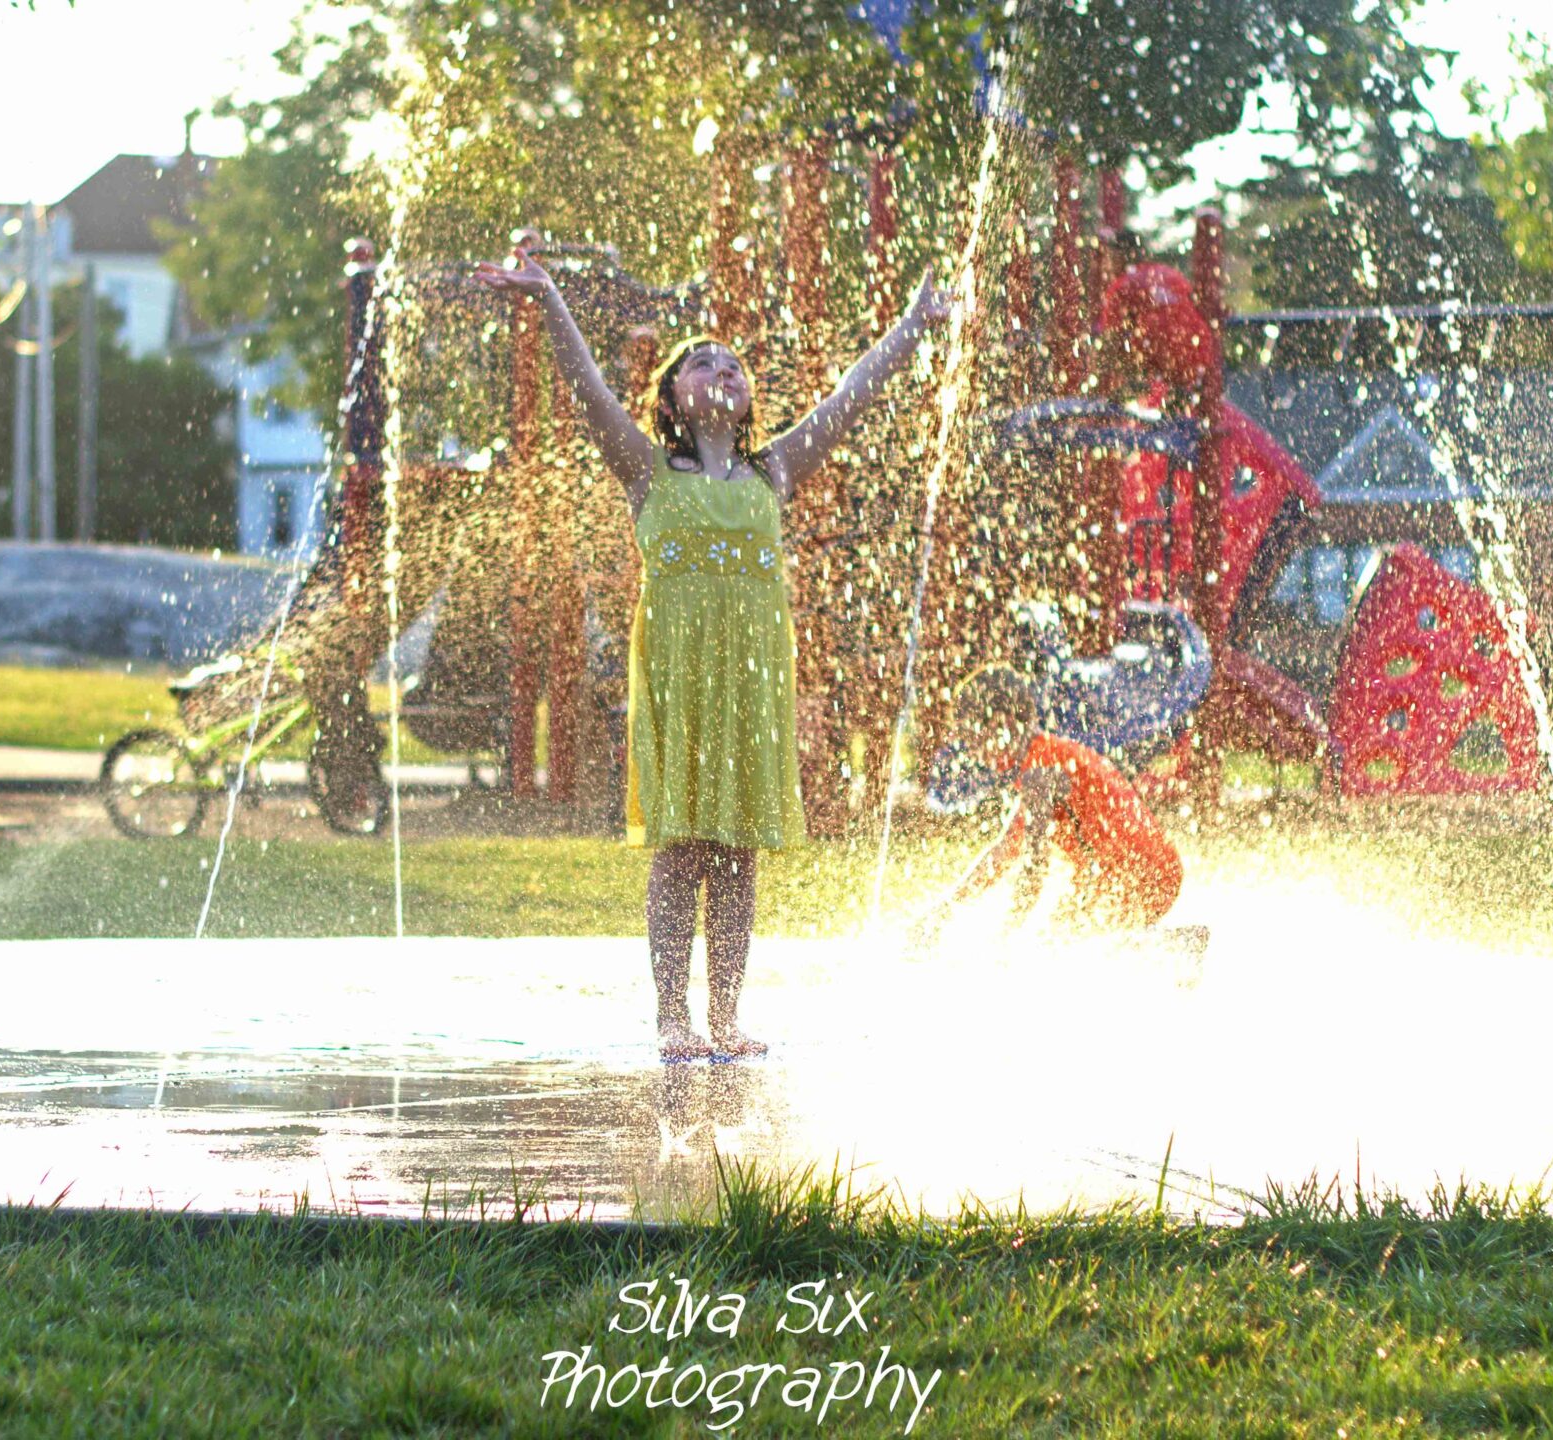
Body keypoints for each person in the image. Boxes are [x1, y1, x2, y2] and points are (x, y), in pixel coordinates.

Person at [474, 249, 950, 1060]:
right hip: (678, 677)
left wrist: (912, 326)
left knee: (738, 852)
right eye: (701, 362)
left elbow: (852, 397)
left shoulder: (775, 469)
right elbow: (588, 388)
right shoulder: (646, 470)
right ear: (670, 399)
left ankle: (725, 1015)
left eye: (732, 361)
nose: (722, 368)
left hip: (753, 679)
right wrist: (549, 299)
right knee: (682, 847)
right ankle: (672, 1016)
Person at [910, 667, 1184, 944]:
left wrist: (1005, 936)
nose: (970, 748)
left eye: (971, 735)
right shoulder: (1046, 754)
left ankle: (1175, 946)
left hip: (1140, 876)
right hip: (1144, 870)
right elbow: (1006, 850)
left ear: (1001, 722)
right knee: (1059, 936)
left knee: (1059, 945)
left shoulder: (1041, 769)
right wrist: (944, 911)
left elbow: (1033, 867)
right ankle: (1170, 945)